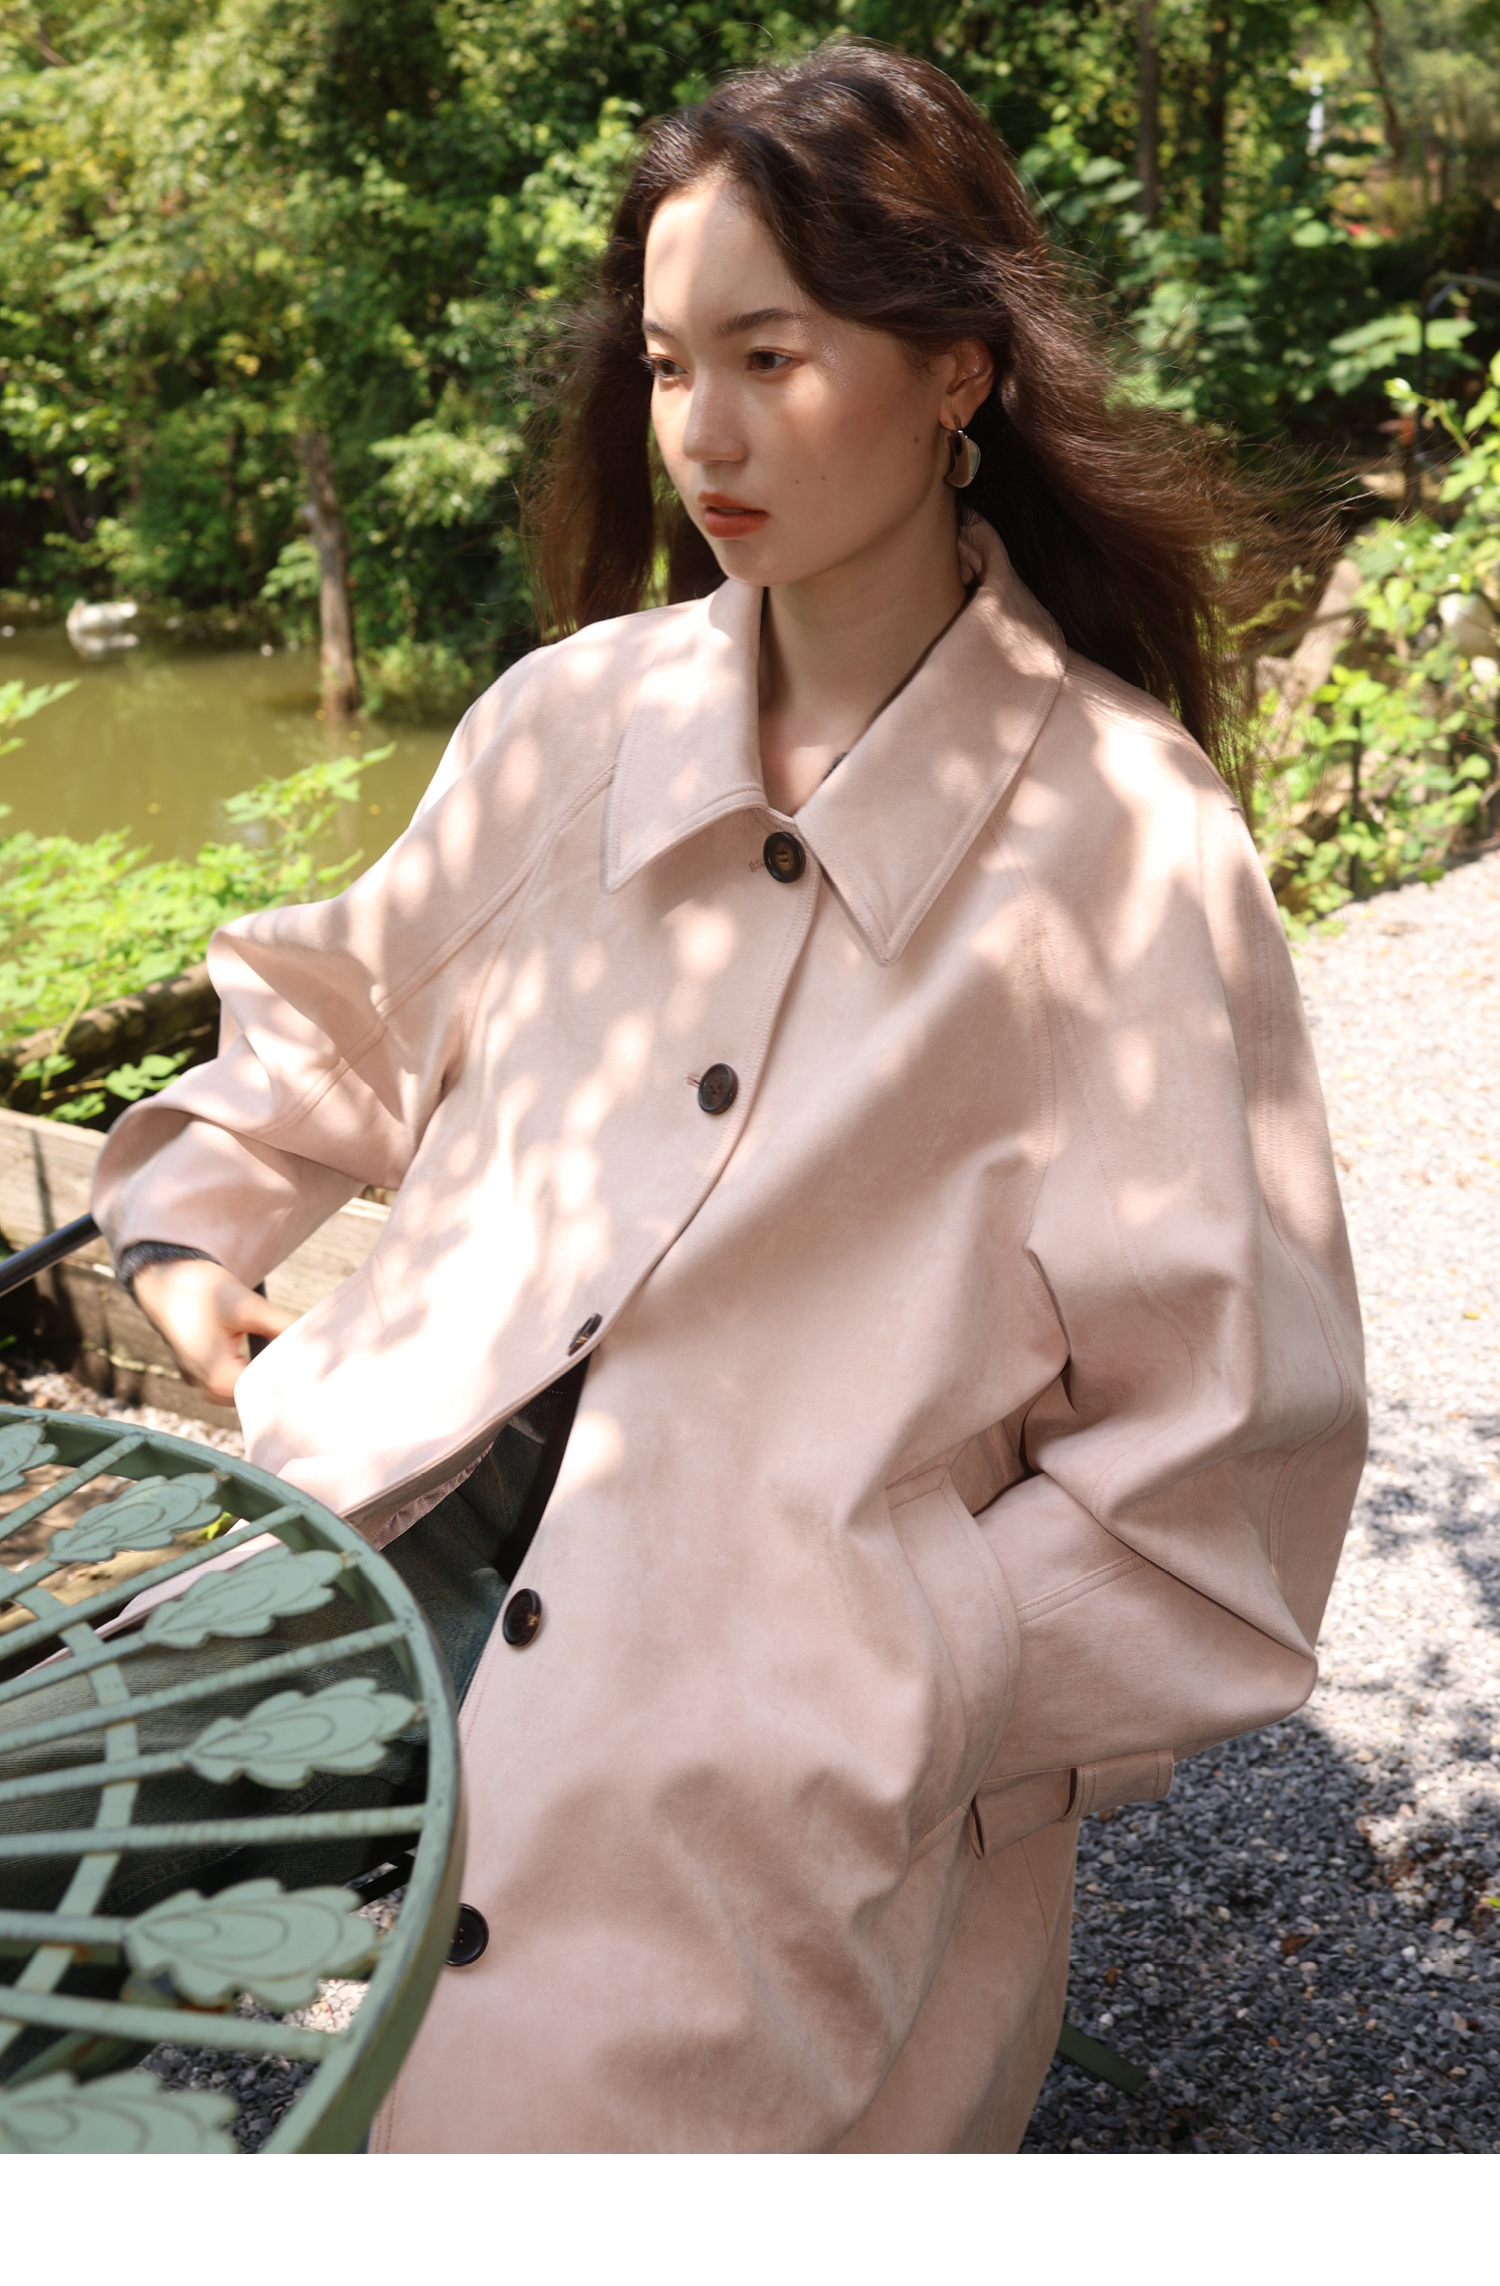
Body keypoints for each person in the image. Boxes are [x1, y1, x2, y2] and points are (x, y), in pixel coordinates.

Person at [91, 44, 1366, 2151]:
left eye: (771, 356)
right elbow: (335, 1012)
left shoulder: (1127, 840)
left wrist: (911, 1665)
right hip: (384, 1541)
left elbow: (1228, 1445)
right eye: (673, 365)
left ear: (958, 368)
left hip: (784, 1765)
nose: (701, 432)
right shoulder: (570, 723)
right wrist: (193, 1216)